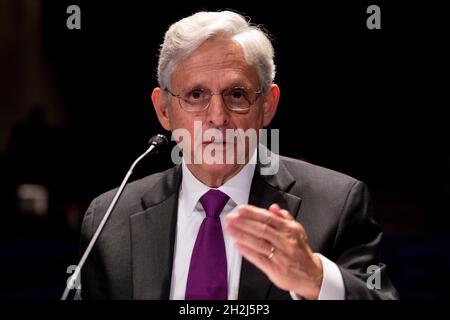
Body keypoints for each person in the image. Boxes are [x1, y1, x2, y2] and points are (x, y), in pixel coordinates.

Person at [80, 10, 398, 300]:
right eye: (195, 95)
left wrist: (316, 280)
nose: (217, 117)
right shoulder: (110, 220)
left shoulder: (336, 205)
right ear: (164, 110)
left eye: (236, 94)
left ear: (267, 105)